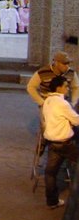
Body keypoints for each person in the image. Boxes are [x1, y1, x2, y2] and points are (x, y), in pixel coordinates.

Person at [41, 75, 79, 209]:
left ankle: (52, 201)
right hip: (65, 143)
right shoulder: (62, 103)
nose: (68, 89)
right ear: (59, 88)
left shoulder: (47, 101)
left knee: (50, 173)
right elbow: (76, 120)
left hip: (52, 143)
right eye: (66, 86)